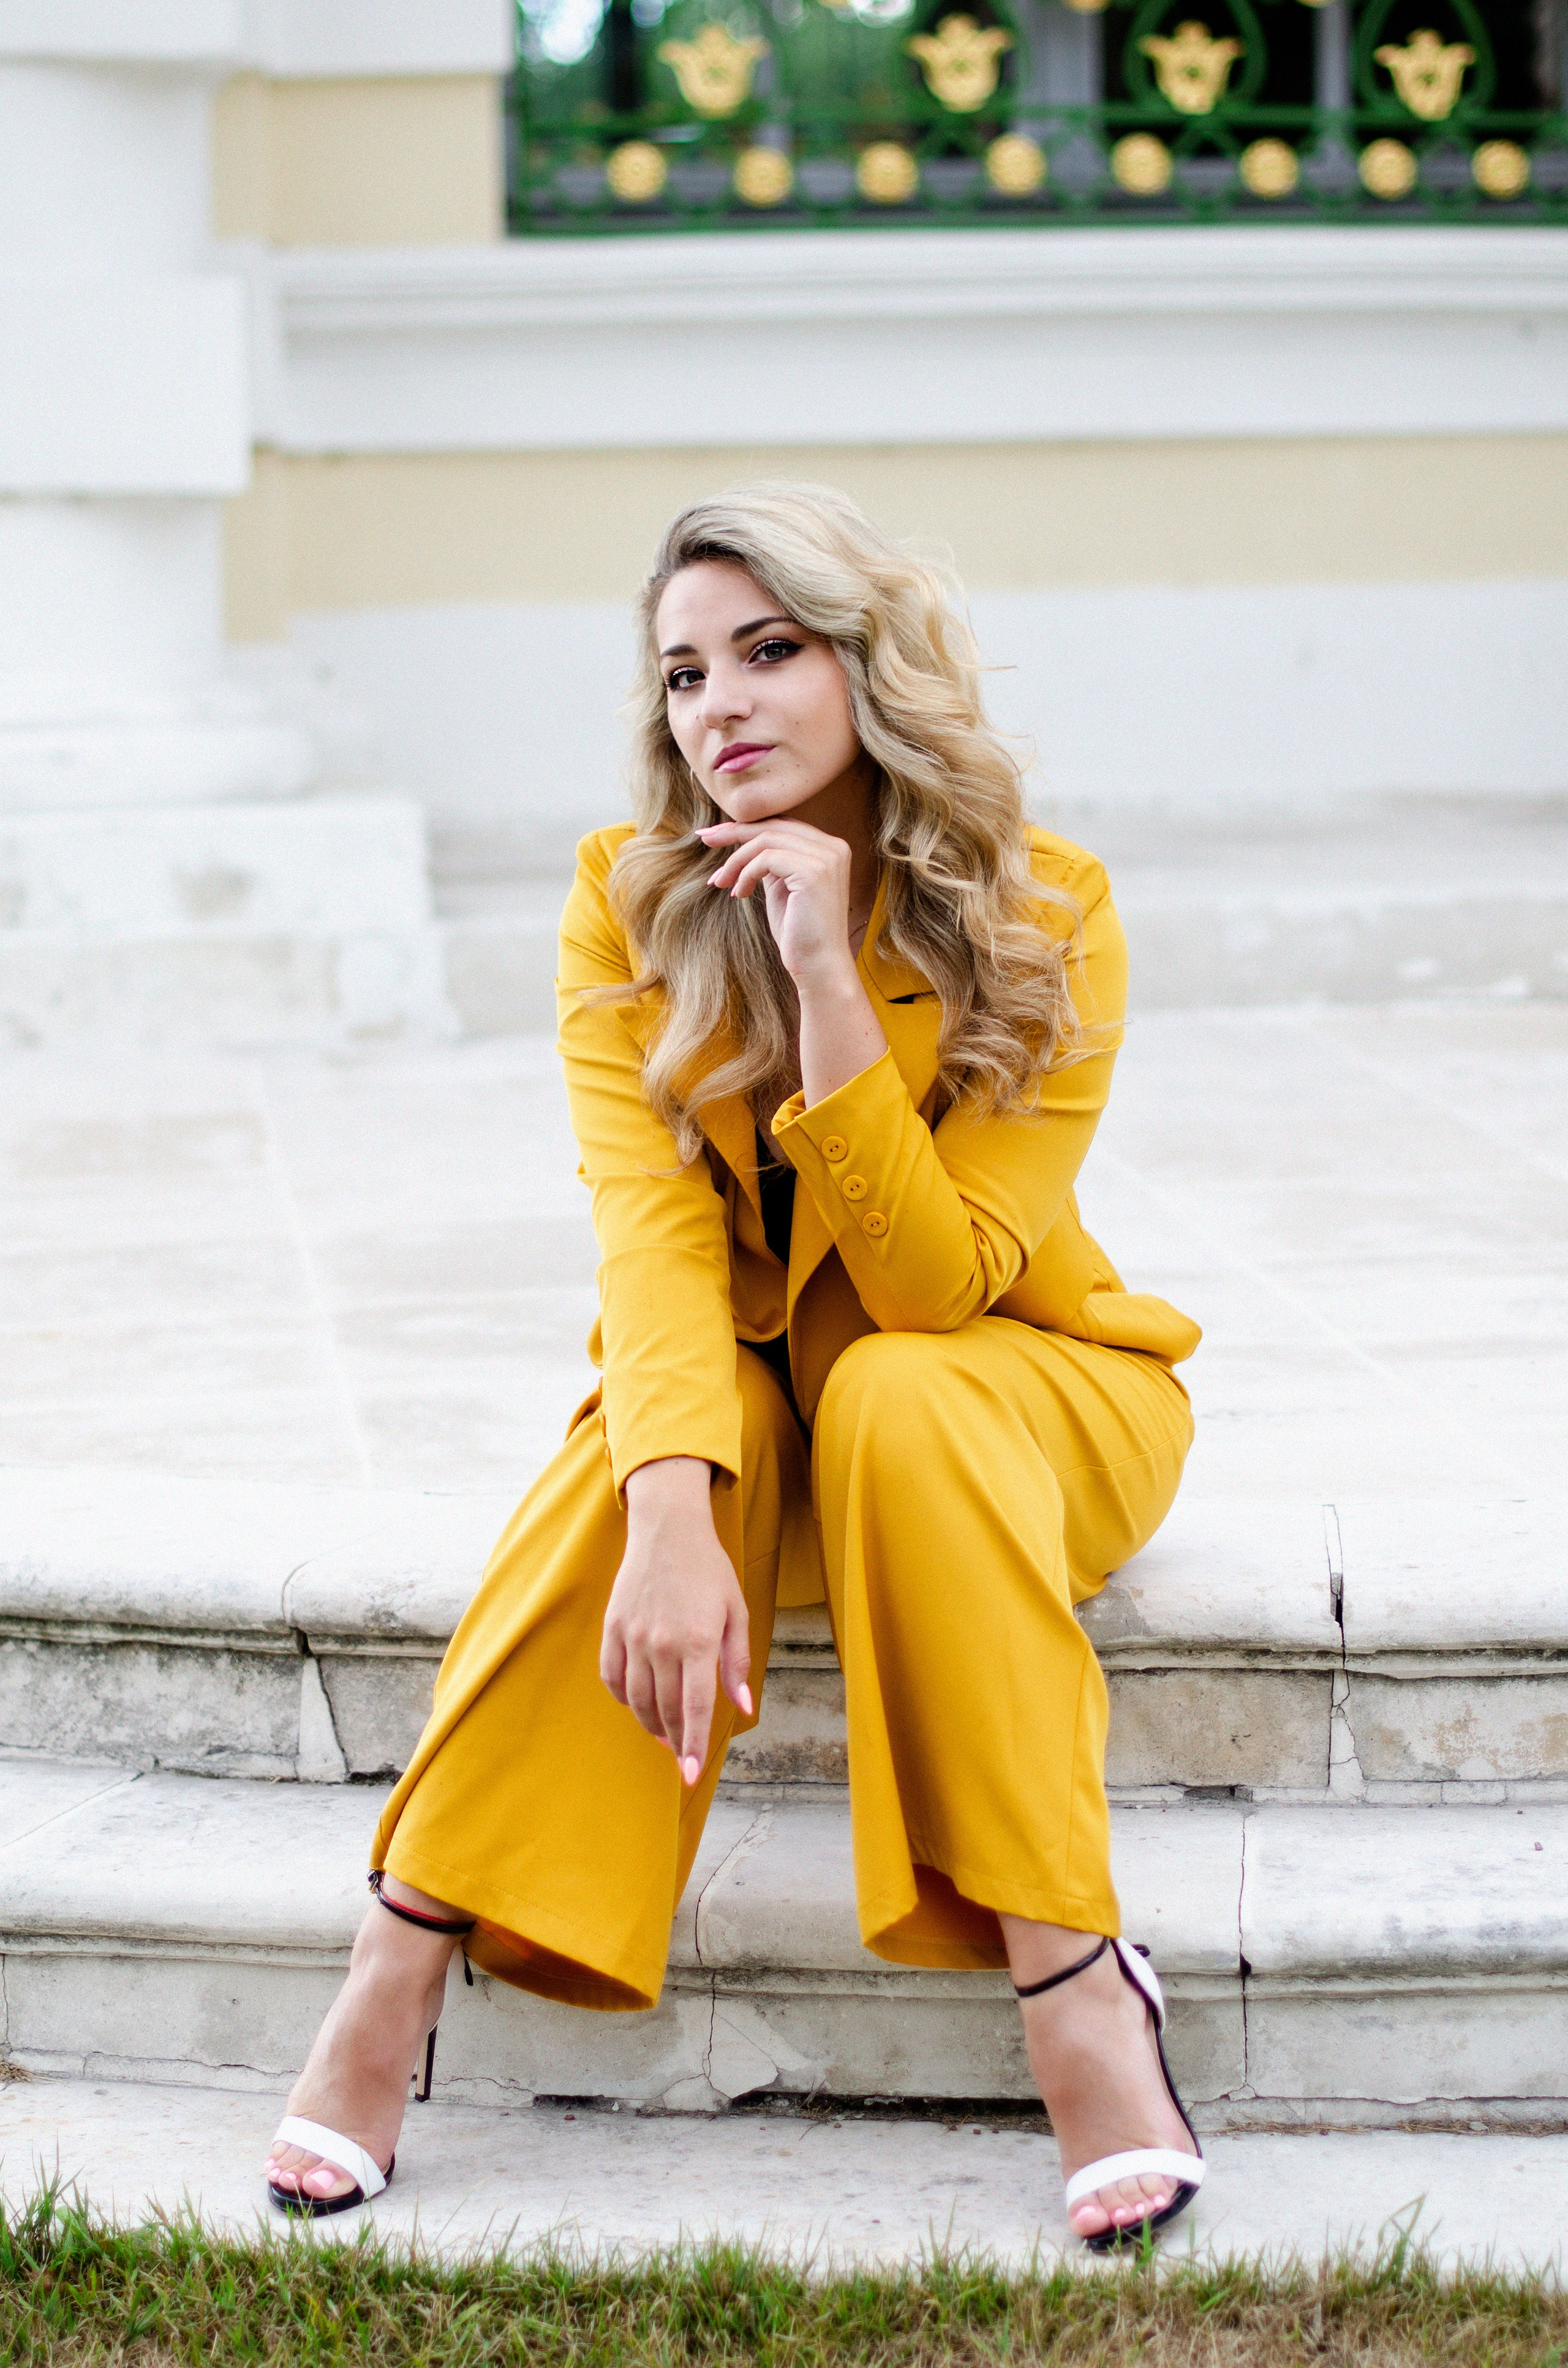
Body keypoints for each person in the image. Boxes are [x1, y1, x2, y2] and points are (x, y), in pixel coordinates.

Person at [265, 483, 1205, 2250]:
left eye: (771, 651)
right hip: (774, 1411)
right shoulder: (623, 904)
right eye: (686, 672)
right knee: (636, 1433)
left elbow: (935, 1294)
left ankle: (1078, 1979)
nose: (722, 705)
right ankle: (394, 1965)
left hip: (1025, 1392)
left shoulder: (1046, 909)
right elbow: (653, 1239)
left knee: (893, 1391)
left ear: (870, 665)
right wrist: (675, 1509)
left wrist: (833, 987)